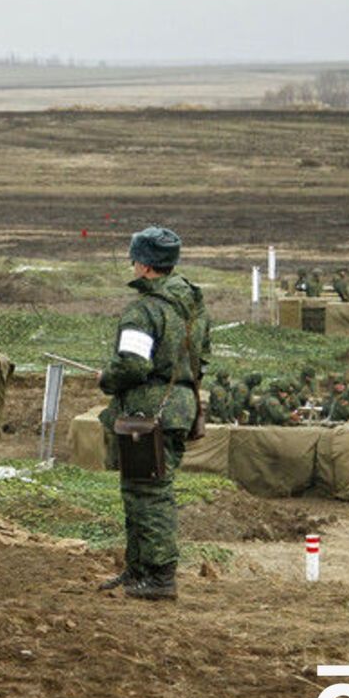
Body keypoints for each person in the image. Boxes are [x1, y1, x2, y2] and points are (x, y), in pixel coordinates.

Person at [96, 227, 210, 602]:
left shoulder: (143, 310)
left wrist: (106, 379)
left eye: (134, 258)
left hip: (148, 411)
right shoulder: (192, 305)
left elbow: (131, 365)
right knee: (140, 489)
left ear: (144, 266)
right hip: (179, 407)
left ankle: (160, 576)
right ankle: (139, 569)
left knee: (149, 493)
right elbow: (202, 357)